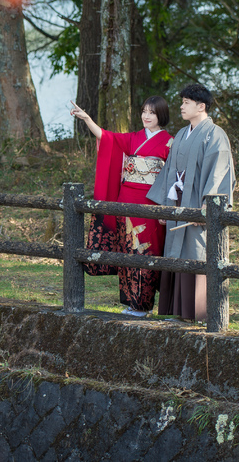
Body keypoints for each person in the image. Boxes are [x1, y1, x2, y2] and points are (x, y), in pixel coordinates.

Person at [70, 97, 173, 316]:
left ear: (161, 116)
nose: (146, 116)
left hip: (151, 202)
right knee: (126, 249)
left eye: (152, 113)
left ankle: (143, 304)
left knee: (145, 250)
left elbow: (172, 178)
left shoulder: (170, 143)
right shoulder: (134, 138)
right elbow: (106, 137)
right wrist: (87, 118)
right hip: (125, 199)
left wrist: (168, 204)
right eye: (144, 111)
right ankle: (131, 302)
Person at [147, 83, 235, 322]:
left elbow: (219, 172)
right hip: (177, 204)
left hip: (197, 206)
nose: (181, 107)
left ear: (201, 106)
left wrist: (207, 207)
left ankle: (198, 312)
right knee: (175, 252)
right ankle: (178, 311)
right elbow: (168, 173)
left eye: (186, 102)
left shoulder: (215, 134)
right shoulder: (182, 135)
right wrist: (166, 206)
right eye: (182, 102)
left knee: (196, 253)